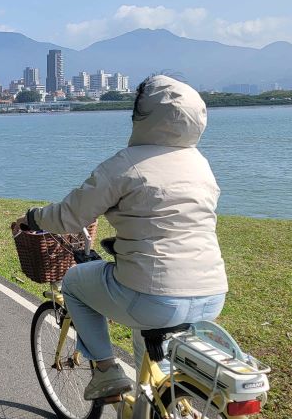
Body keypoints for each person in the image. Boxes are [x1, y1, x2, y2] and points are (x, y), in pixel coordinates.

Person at [14, 75, 227, 401]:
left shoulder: (125, 165)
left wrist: (32, 216)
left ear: (142, 117)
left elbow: (67, 217)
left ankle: (106, 370)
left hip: (153, 295)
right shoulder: (200, 165)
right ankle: (161, 399)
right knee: (153, 362)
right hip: (211, 294)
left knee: (73, 282)